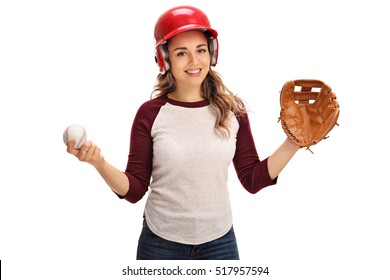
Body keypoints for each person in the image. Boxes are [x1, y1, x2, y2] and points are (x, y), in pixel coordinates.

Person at [66, 5, 300, 260]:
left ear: (212, 52)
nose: (194, 61)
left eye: (200, 50)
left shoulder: (233, 111)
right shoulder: (150, 113)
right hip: (160, 243)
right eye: (181, 53)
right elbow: (133, 191)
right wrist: (98, 163)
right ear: (165, 59)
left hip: (220, 242)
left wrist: (294, 142)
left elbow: (252, 180)